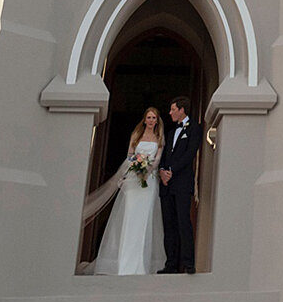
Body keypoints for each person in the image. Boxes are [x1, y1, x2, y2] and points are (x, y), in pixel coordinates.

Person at [83, 107, 166, 276]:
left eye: (154, 118)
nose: (151, 120)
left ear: (157, 121)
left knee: (144, 220)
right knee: (130, 219)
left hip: (148, 183)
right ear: (144, 119)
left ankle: (140, 264)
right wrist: (137, 166)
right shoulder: (136, 135)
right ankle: (124, 263)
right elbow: (130, 154)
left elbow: (157, 159)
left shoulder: (159, 138)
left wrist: (148, 170)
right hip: (134, 181)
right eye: (149, 117)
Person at [157, 97, 201, 273]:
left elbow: (190, 154)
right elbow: (165, 155)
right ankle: (171, 264)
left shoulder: (194, 129)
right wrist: (162, 171)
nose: (170, 112)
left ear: (182, 110)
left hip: (181, 183)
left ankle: (188, 263)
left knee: (183, 222)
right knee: (169, 225)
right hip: (167, 184)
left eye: (172, 109)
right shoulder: (170, 132)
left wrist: (171, 170)